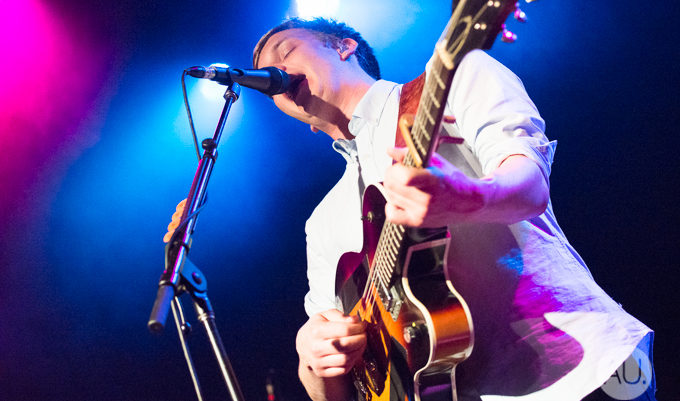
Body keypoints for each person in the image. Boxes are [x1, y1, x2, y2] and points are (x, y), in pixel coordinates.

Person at [250, 17, 655, 401]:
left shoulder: (452, 77)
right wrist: (312, 360)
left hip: (580, 369)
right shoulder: (322, 223)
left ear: (344, 47)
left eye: (286, 51)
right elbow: (332, 382)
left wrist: (465, 198)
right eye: (265, 77)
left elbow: (531, 187)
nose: (274, 72)